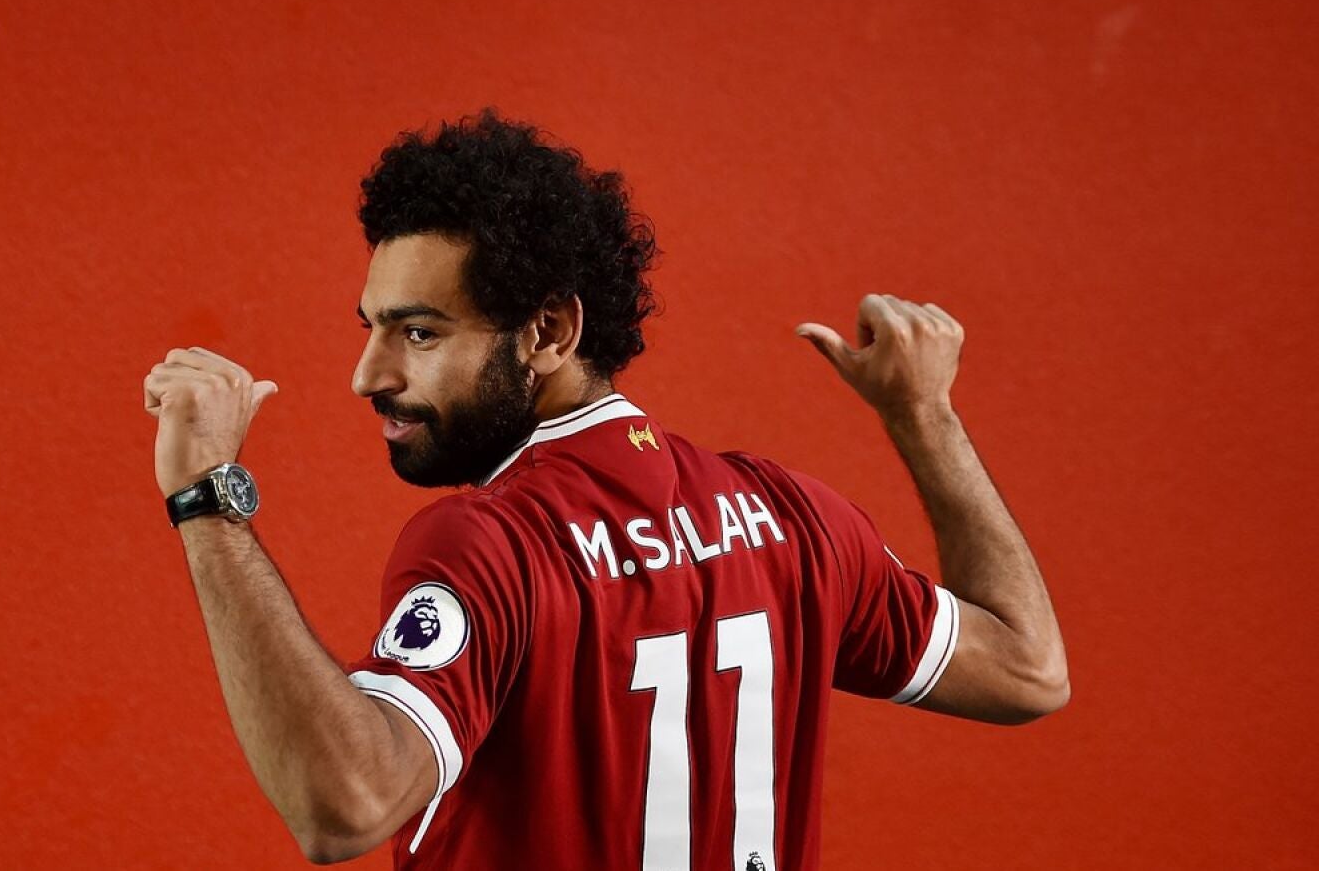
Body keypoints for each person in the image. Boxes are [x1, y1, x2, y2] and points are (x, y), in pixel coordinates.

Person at [142, 110, 1069, 870]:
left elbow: (341, 806)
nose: (368, 375)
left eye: (419, 333)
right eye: (371, 328)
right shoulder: (790, 517)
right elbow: (1028, 670)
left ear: (548, 333)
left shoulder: (488, 543)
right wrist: (923, 414)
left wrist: (206, 499)